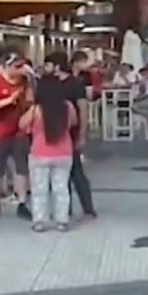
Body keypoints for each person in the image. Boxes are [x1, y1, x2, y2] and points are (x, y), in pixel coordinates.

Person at [0, 47, 32, 220]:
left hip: (19, 131)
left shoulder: (25, 80)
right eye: (16, 67)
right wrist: (9, 100)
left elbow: (31, 100)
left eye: (21, 66)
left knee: (21, 167)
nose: (19, 70)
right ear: (7, 67)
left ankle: (22, 202)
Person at [20, 75, 77, 232]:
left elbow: (21, 124)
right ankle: (62, 220)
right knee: (61, 188)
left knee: (39, 189)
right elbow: (73, 123)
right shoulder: (68, 107)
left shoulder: (37, 110)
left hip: (40, 153)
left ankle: (39, 221)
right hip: (64, 153)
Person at [44, 51, 96, 218]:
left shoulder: (75, 84)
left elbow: (83, 109)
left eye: (48, 65)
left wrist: (82, 134)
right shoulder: (48, 84)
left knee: (75, 171)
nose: (45, 68)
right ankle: (65, 208)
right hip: (53, 131)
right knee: (60, 173)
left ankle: (87, 207)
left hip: (71, 133)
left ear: (57, 66)